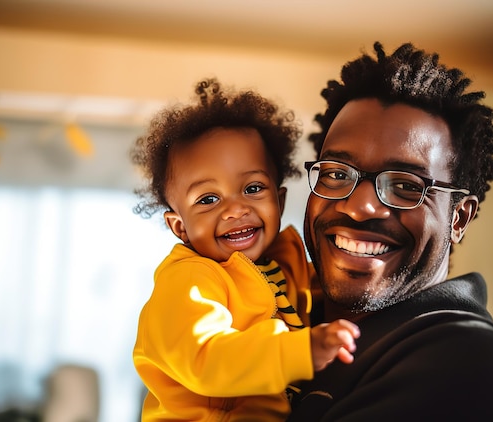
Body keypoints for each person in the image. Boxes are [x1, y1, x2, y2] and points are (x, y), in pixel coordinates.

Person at [287, 42, 493, 421]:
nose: (359, 207)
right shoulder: (275, 316)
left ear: (459, 218)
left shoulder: (468, 359)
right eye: (337, 174)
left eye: (405, 185)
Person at [131, 78, 360, 421]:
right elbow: (205, 358)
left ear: (279, 202)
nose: (235, 210)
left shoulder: (286, 261)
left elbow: (331, 301)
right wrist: (300, 350)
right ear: (180, 227)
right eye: (208, 199)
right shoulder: (189, 281)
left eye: (253, 188)